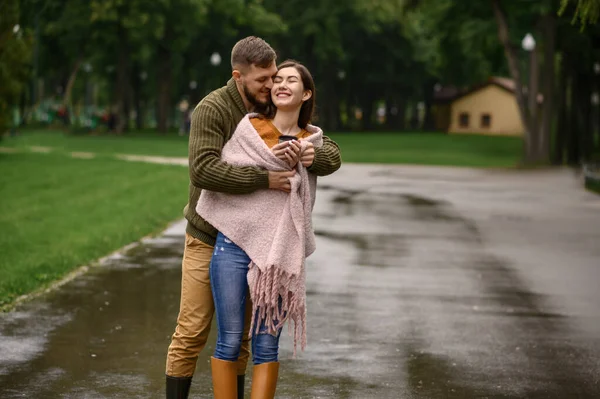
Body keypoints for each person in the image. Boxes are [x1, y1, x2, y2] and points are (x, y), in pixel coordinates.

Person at [165, 37, 341, 399]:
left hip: (261, 245)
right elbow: (203, 170)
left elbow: (329, 153)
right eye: (265, 80)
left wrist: (310, 157)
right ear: (239, 76)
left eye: (276, 77)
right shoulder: (214, 109)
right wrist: (264, 178)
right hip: (208, 235)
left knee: (247, 339)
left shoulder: (272, 116)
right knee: (194, 330)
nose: (273, 84)